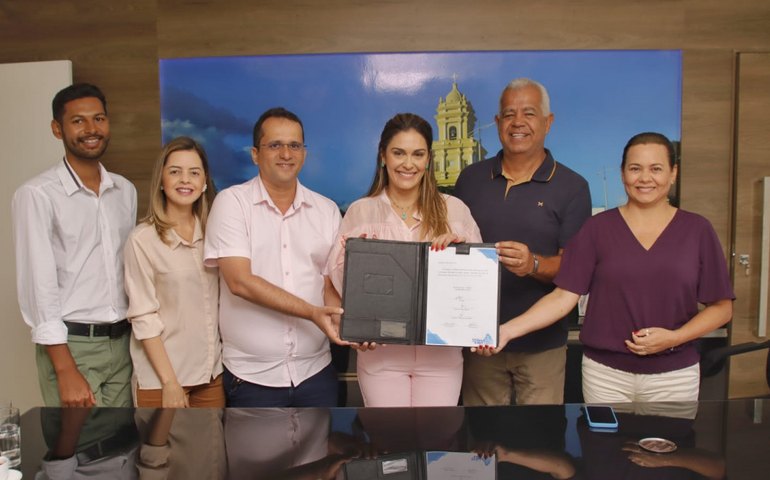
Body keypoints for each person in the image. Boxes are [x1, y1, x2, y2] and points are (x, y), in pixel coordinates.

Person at [475, 132, 734, 403]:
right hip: (606, 375)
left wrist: (675, 338)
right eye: (635, 169)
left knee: (670, 445)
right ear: (623, 174)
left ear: (673, 173)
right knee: (603, 445)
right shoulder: (597, 229)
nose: (645, 178)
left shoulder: (697, 230)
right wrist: (506, 331)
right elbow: (563, 297)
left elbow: (721, 307)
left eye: (656, 169)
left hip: (675, 375)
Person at [327, 113, 482, 407]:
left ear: (428, 160)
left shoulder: (456, 210)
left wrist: (462, 256)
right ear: (383, 156)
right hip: (380, 356)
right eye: (398, 153)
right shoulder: (361, 211)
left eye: (417, 154)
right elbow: (335, 282)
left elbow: (479, 287)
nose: (408, 164)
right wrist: (350, 327)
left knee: (434, 445)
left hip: (442, 358)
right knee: (390, 446)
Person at [454, 78, 591, 406]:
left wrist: (532, 264)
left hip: (541, 346)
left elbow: (573, 270)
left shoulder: (572, 187)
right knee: (482, 446)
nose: (518, 123)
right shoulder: (470, 179)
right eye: (509, 114)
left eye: (529, 113)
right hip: (479, 343)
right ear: (498, 123)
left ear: (548, 122)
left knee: (537, 444)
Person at [204, 107, 345, 408]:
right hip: (252, 379)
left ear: (304, 153)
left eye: (294, 145)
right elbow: (239, 281)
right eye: (275, 145)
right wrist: (312, 313)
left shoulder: (327, 210)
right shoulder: (231, 203)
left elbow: (329, 282)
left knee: (319, 457)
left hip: (316, 374)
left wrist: (346, 323)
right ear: (255, 154)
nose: (286, 153)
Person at [12, 83, 137, 408]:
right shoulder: (38, 195)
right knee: (75, 451)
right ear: (58, 129)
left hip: (124, 344)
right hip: (73, 345)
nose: (91, 129)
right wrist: (65, 368)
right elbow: (39, 284)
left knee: (119, 452)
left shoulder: (124, 190)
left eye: (98, 119)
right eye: (78, 121)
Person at [124, 136, 223, 408]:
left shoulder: (216, 235)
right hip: (163, 381)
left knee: (210, 452)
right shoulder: (142, 240)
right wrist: (170, 382)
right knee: (161, 452)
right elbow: (143, 316)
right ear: (162, 181)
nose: (185, 180)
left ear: (204, 183)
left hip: (211, 376)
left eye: (194, 172)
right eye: (175, 172)